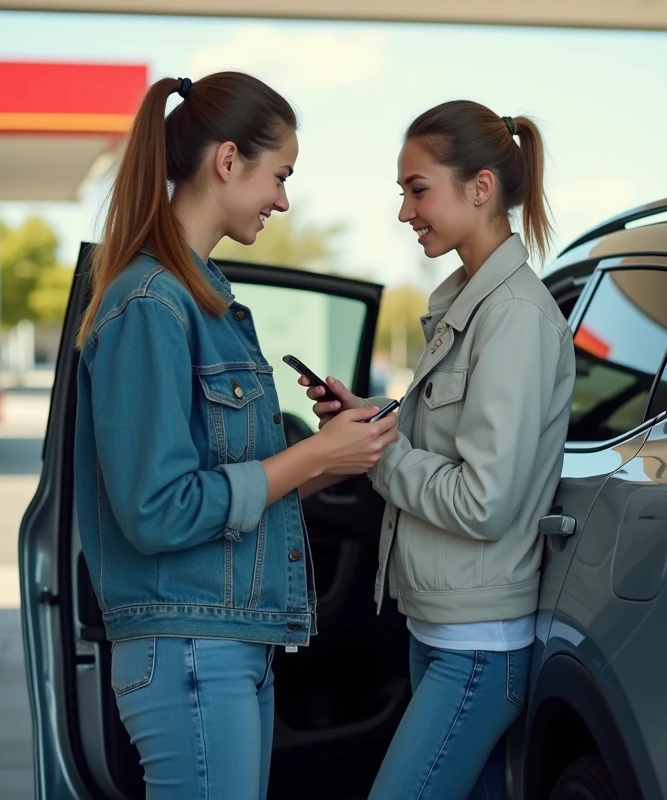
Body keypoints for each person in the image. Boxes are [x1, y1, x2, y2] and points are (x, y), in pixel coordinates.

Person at [72, 72, 399, 800]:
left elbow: (238, 482)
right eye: (278, 175)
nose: (283, 198)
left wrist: (335, 453)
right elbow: (159, 508)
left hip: (222, 641)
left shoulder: (207, 298)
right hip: (187, 646)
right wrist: (314, 453)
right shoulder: (152, 305)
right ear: (227, 162)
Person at [301, 100, 576, 798]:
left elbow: (482, 500)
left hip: (476, 647)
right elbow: (454, 446)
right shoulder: (469, 306)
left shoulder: (512, 317)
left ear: (480, 187)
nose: (404, 212)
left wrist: (374, 451)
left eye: (417, 189)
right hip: (444, 629)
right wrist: (371, 419)